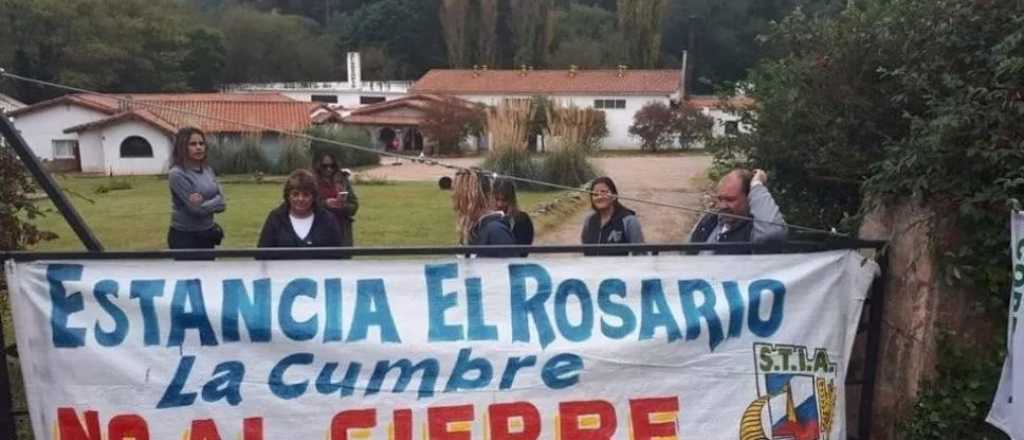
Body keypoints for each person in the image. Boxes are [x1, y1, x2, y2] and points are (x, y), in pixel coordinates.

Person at [689, 168, 787, 253]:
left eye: (730, 200)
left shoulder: (754, 230)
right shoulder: (710, 220)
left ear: (749, 198)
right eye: (720, 199)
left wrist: (756, 185)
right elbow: (686, 254)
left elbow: (771, 235)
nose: (722, 206)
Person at [167, 127, 226, 249]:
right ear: (182, 147)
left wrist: (204, 203)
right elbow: (196, 211)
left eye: (201, 143)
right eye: (193, 144)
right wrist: (215, 201)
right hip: (185, 237)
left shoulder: (207, 169)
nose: (199, 147)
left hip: (208, 233)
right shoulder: (177, 174)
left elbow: (222, 204)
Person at [257, 169, 343, 249]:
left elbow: (339, 254)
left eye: (306, 194)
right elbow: (263, 254)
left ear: (313, 196)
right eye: (295, 194)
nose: (300, 199)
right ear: (288, 196)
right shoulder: (275, 218)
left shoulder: (328, 219)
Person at [452, 170, 516, 257]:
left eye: (459, 196)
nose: (454, 200)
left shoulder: (497, 232)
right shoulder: (473, 230)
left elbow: (511, 263)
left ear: (472, 198)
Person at [580, 176, 645, 255]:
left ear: (614, 196)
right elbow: (585, 249)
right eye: (595, 194)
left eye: (604, 192)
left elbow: (640, 254)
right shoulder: (589, 221)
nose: (599, 197)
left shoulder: (629, 221)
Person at [312, 151, 359, 246]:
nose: (329, 169)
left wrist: (343, 205)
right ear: (318, 166)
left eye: (332, 166)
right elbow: (307, 205)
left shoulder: (343, 180)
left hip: (341, 230)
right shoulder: (312, 182)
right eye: (325, 166)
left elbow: (354, 205)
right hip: (319, 228)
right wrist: (326, 204)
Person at [493, 178, 534, 247]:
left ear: (512, 200)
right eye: (496, 199)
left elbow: (524, 249)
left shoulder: (522, 220)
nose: (500, 204)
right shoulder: (485, 221)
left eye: (504, 200)